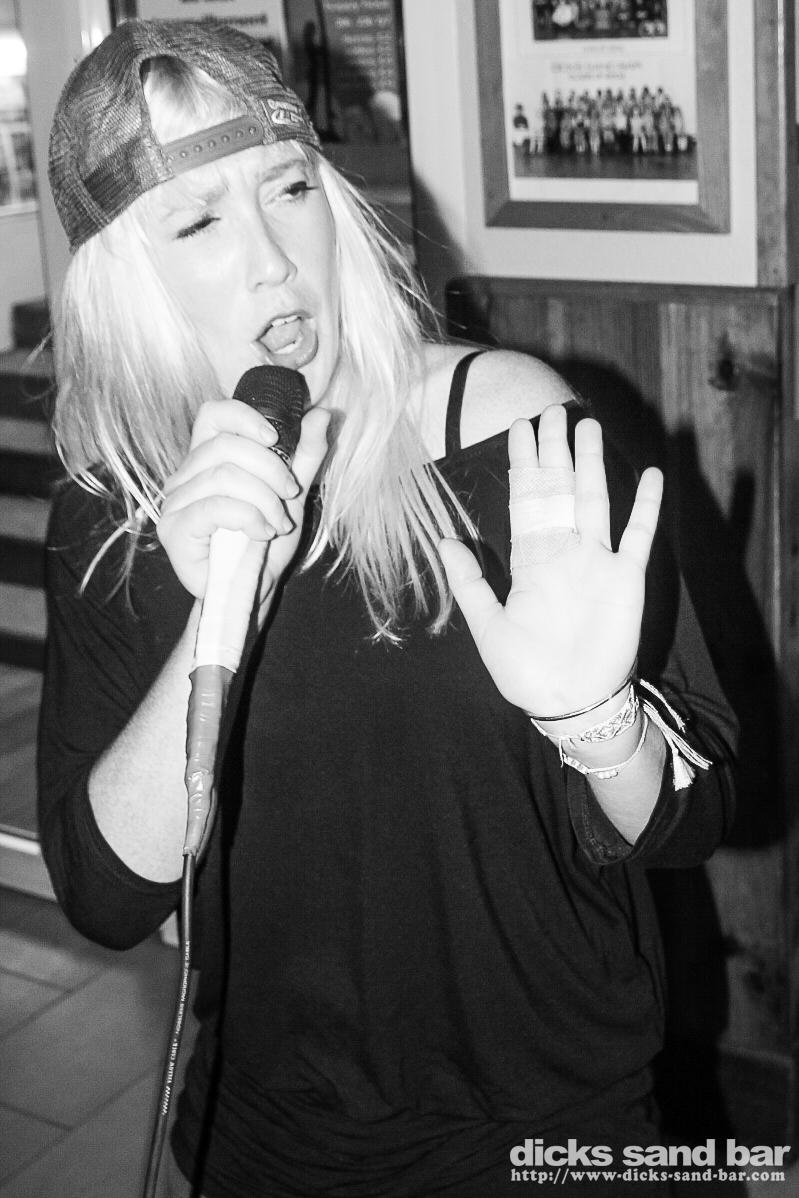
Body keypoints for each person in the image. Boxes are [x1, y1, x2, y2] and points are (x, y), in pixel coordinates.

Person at [39, 18, 736, 1198]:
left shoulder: (509, 426)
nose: (274, 259)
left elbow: (694, 815)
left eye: (288, 187)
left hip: (551, 1130)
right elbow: (107, 897)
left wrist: (594, 718)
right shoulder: (110, 515)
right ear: (122, 278)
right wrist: (221, 606)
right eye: (199, 222)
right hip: (268, 1135)